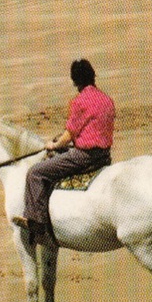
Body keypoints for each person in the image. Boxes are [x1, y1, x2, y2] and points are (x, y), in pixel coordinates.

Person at [23, 59, 115, 246]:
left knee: (35, 173)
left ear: (75, 81)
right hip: (104, 155)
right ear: (92, 76)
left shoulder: (80, 102)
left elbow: (69, 135)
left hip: (84, 157)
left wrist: (54, 145)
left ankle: (38, 223)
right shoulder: (106, 99)